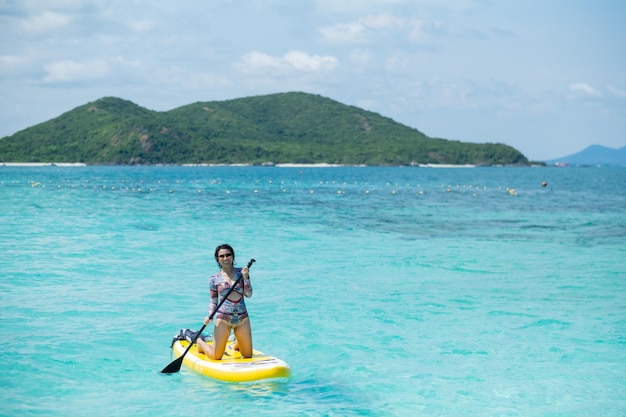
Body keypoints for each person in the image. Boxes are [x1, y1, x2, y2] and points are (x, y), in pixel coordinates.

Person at [196, 244, 253, 360]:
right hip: (223, 319)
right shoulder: (214, 279)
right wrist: (210, 315)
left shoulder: (241, 273)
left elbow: (249, 294)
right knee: (215, 357)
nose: (225, 258)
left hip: (242, 318)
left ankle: (238, 342)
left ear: (233, 256)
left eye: (228, 255)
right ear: (218, 259)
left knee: (247, 355)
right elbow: (213, 301)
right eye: (222, 256)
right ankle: (200, 342)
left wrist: (246, 278)